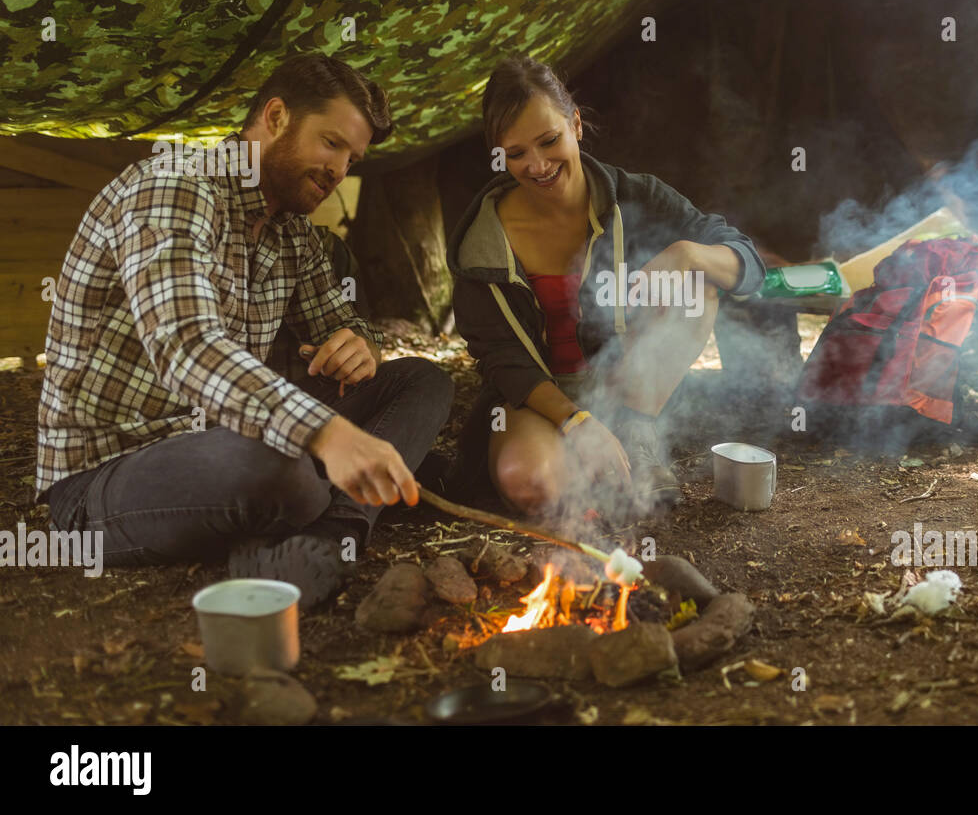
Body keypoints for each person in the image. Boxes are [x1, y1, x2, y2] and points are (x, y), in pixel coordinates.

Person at [36, 53, 453, 609]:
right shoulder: (175, 187)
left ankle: (331, 540)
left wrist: (361, 345)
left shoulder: (292, 230)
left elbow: (339, 317)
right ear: (276, 116)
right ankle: (305, 514)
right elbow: (187, 346)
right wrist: (330, 435)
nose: (339, 171)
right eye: (331, 143)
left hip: (226, 438)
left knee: (422, 381)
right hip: (107, 475)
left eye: (352, 158)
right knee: (286, 468)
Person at [447, 56, 765, 521]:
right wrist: (575, 421)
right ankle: (587, 458)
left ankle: (635, 433)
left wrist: (688, 253)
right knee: (532, 484)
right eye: (515, 154)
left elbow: (747, 262)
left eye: (549, 141)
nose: (537, 166)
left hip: (624, 380)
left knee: (697, 285)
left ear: (575, 123)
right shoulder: (482, 238)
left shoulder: (633, 196)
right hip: (534, 397)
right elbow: (501, 360)